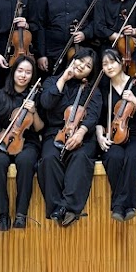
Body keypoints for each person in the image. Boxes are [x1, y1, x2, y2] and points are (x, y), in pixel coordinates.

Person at [39, 48, 100, 226]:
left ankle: (69, 208)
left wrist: (81, 132)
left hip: (83, 135)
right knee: (48, 159)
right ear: (73, 59)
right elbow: (46, 103)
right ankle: (56, 209)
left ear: (91, 72)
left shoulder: (92, 89)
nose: (82, 66)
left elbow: (93, 114)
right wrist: (64, 78)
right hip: (55, 132)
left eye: (88, 66)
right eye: (80, 60)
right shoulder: (52, 81)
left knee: (80, 157)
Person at [94, 48, 136, 221]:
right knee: (113, 158)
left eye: (112, 62)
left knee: (133, 157)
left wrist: (134, 100)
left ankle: (118, 206)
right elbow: (99, 119)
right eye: (105, 64)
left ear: (121, 62)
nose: (109, 67)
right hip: (113, 135)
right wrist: (100, 137)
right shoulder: (103, 88)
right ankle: (129, 206)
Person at [0, 55, 43, 230]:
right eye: (20, 71)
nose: (23, 75)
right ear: (13, 72)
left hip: (27, 141)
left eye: (28, 72)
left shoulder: (35, 97)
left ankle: (21, 213)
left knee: (26, 162)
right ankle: (2, 214)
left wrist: (34, 111)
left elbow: (39, 128)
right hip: (3, 141)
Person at [32, 0, 97, 72]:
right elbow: (40, 25)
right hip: (52, 52)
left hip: (80, 51)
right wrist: (41, 54)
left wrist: (85, 33)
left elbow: (95, 21)